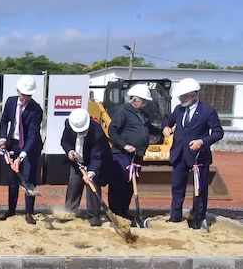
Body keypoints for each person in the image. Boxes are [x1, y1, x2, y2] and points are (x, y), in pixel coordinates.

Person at [161, 78, 224, 229]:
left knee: (199, 189)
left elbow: (218, 132)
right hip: (179, 155)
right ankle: (175, 216)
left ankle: (198, 217)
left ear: (193, 96)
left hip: (198, 156)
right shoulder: (178, 109)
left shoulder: (207, 111)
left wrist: (202, 141)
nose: (180, 99)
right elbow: (167, 121)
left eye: (183, 96)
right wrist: (166, 128)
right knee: (177, 187)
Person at [107, 83, 160, 221]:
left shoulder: (142, 114)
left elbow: (149, 128)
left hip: (137, 156)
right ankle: (115, 211)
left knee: (130, 185)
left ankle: (124, 210)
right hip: (122, 155)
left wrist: (164, 131)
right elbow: (112, 131)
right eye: (144, 101)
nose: (146, 104)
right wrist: (124, 145)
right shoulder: (123, 111)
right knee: (119, 183)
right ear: (135, 100)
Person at [0, 75, 44, 224]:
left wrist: (21, 157)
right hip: (13, 144)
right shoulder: (10, 102)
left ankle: (29, 212)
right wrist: (3, 138)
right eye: (24, 95)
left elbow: (32, 135)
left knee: (29, 179)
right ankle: (11, 209)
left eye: (29, 95)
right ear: (18, 91)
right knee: (12, 180)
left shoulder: (36, 110)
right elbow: (4, 120)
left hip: (30, 148)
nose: (26, 98)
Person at [61, 108, 113, 227]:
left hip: (93, 161)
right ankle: (68, 212)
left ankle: (94, 216)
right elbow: (65, 141)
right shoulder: (69, 124)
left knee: (93, 185)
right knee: (74, 183)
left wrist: (91, 172)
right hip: (77, 160)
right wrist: (69, 151)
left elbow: (97, 155)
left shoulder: (97, 131)